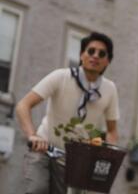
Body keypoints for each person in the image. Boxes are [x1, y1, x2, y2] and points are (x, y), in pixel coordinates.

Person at [16, 32, 120, 194]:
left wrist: (107, 155)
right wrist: (32, 135)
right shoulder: (61, 77)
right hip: (44, 150)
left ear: (107, 61)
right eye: (90, 51)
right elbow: (23, 105)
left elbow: (112, 130)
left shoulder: (109, 89)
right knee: (37, 189)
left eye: (101, 53)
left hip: (74, 163)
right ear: (81, 55)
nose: (95, 56)